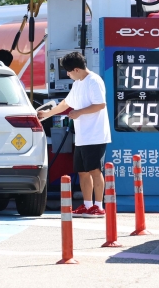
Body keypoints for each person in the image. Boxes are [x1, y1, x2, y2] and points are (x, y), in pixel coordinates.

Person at [37, 51, 110, 217]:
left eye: (68, 72)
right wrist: (47, 114)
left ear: (76, 69)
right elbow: (65, 103)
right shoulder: (78, 83)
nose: (68, 74)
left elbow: (100, 105)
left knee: (95, 171)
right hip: (82, 136)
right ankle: (87, 204)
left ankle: (98, 206)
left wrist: (79, 113)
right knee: (82, 171)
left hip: (96, 134)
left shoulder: (94, 81)